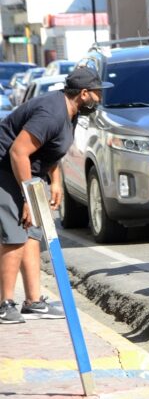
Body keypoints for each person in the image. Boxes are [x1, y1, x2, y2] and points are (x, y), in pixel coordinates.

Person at [0, 67, 112, 324]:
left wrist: (57, 182)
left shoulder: (69, 112)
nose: (100, 99)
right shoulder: (51, 113)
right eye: (97, 93)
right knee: (16, 233)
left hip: (28, 172)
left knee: (32, 232)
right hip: (6, 169)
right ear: (83, 94)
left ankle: (33, 301)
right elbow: (18, 152)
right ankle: (4, 305)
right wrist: (27, 197)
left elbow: (50, 149)